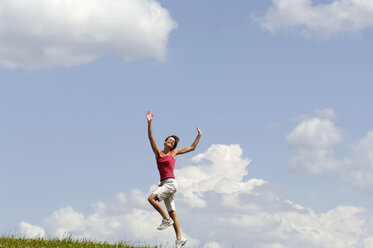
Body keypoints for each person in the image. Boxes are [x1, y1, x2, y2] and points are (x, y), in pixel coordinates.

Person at [146, 110, 202, 248]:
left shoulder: (174, 153)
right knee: (173, 214)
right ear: (165, 141)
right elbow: (150, 137)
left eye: (173, 142)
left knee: (151, 199)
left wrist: (199, 136)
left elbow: (192, 148)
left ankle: (165, 219)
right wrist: (149, 122)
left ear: (173, 146)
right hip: (164, 184)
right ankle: (179, 239)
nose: (171, 142)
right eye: (169, 140)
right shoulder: (158, 153)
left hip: (171, 183)